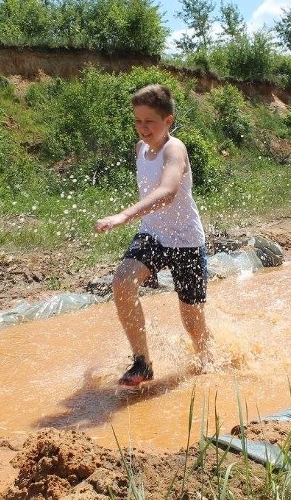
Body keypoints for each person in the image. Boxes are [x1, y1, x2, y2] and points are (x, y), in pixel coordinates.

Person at [94, 84, 212, 386]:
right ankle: (142, 362)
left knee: (191, 319)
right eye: (137, 121)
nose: (142, 128)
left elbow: (168, 191)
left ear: (168, 121)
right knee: (122, 282)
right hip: (153, 235)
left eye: (149, 121)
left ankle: (208, 363)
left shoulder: (175, 149)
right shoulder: (140, 148)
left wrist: (124, 215)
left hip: (186, 241)